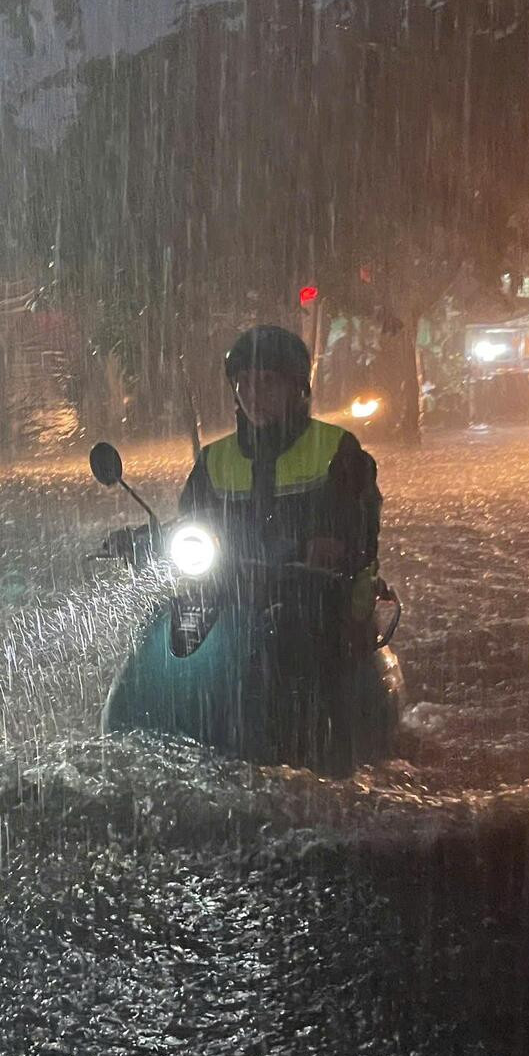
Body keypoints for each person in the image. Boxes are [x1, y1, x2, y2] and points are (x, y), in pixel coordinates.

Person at [178, 324, 383, 766]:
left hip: (320, 598)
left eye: (268, 382)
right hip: (238, 592)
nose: (254, 394)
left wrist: (332, 545)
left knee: (293, 629)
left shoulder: (337, 449)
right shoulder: (213, 461)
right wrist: (147, 540)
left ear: (297, 387)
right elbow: (192, 520)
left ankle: (308, 750)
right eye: (244, 382)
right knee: (175, 627)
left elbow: (361, 522)